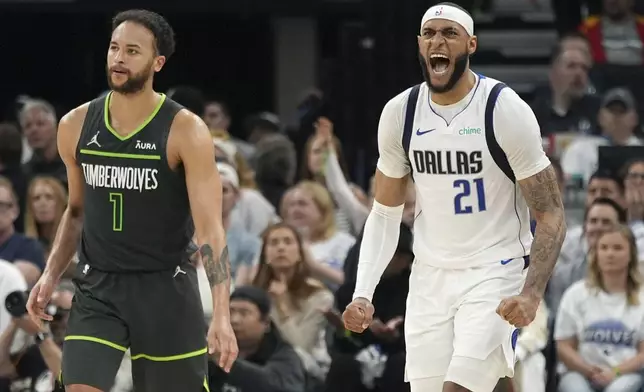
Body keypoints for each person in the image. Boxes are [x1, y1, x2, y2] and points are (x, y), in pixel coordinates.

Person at [342, 3, 567, 392]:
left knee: (459, 388)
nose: (437, 41)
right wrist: (363, 293)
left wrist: (531, 293)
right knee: (485, 384)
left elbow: (550, 213)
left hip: (495, 270)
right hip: (430, 276)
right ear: (419, 44)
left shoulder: (503, 108)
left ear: (471, 44)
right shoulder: (401, 113)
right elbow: (384, 213)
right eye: (429, 33)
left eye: (449, 33)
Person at [25, 9, 238, 392]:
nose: (119, 58)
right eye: (114, 47)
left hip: (165, 289)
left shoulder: (186, 131)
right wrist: (50, 274)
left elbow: (210, 229)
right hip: (98, 286)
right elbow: (75, 212)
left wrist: (221, 312)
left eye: (132, 51)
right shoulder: (75, 125)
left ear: (157, 63)